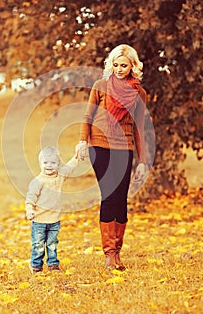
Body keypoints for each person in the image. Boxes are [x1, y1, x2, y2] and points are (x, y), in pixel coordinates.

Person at [76, 44, 146, 270]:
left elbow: (139, 128)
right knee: (109, 194)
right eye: (115, 64)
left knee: (121, 198)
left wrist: (143, 161)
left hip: (124, 147)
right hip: (100, 145)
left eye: (123, 65)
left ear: (133, 66)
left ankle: (117, 254)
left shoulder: (139, 93)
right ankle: (108, 255)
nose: (118, 69)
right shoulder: (101, 86)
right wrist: (82, 141)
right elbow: (88, 116)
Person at [25, 146, 79, 274]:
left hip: (55, 220)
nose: (49, 165)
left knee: (52, 243)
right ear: (40, 164)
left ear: (58, 164)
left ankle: (53, 265)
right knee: (38, 245)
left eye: (53, 163)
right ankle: (36, 266)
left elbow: (70, 167)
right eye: (45, 162)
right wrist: (29, 210)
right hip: (39, 220)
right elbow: (30, 197)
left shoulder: (60, 176)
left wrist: (77, 157)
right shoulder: (38, 181)